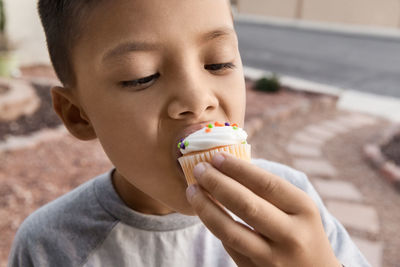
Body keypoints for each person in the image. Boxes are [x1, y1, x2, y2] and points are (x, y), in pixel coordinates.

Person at [8, 0, 370, 266]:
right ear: (78, 115)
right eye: (142, 76)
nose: (197, 100)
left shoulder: (292, 207)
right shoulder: (49, 245)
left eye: (218, 62)